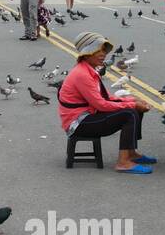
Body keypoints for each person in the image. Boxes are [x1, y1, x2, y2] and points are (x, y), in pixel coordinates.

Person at [58, 32, 156, 175]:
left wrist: (131, 100)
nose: (103, 54)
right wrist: (131, 105)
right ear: (87, 53)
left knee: (134, 109)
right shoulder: (82, 74)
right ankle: (123, 162)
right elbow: (101, 105)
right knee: (129, 113)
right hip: (78, 124)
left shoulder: (89, 70)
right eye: (98, 50)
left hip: (87, 116)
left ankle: (131, 153)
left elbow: (104, 97)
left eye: (104, 50)